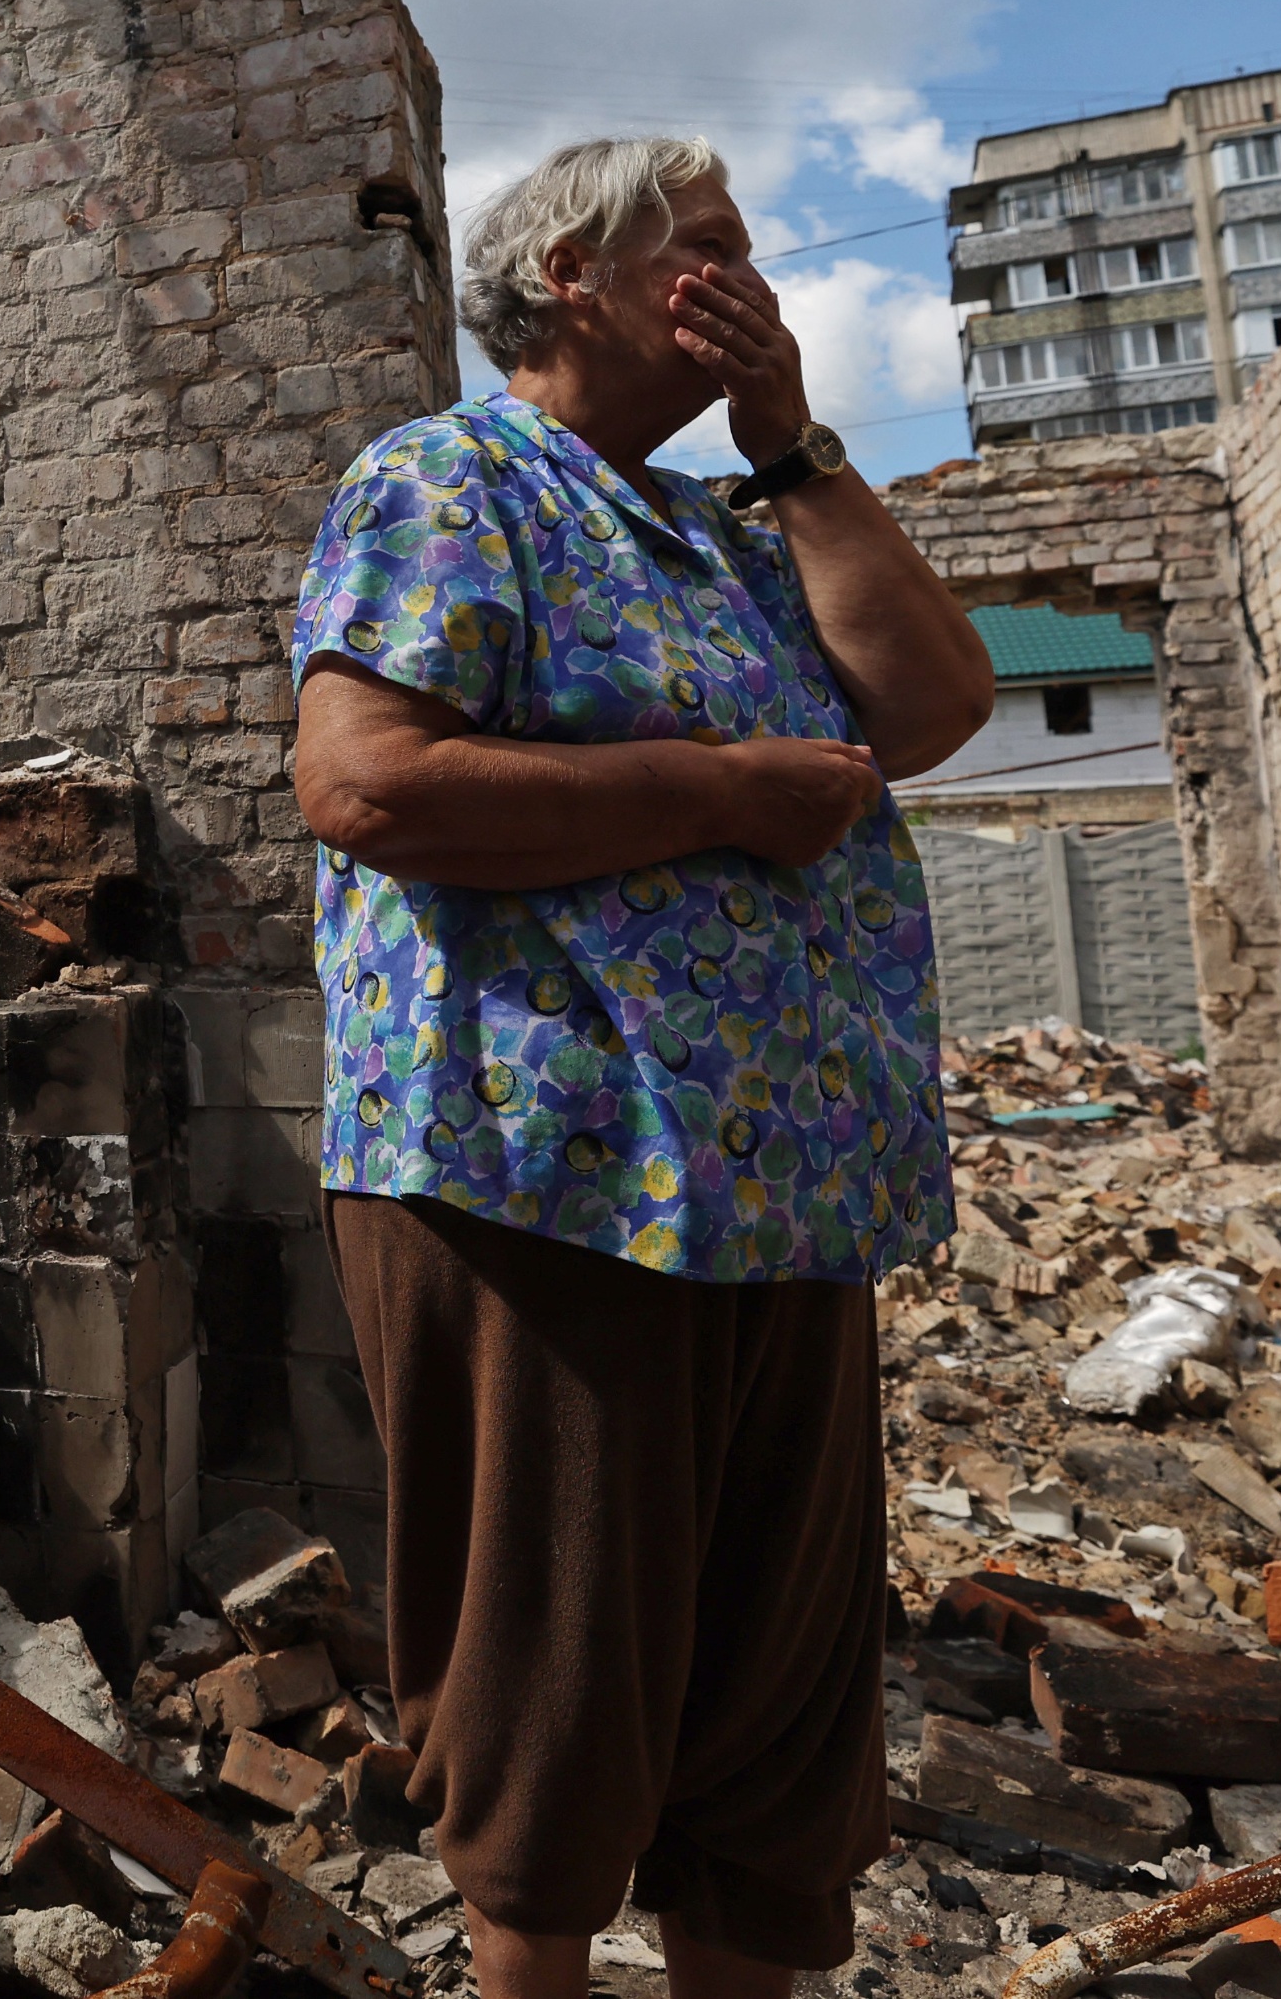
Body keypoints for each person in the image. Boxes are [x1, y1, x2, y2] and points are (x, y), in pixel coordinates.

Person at [286, 136, 993, 1999]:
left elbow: (929, 706)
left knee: (769, 1711)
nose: (744, 281)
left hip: (783, 1188)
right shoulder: (450, 477)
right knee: (558, 1679)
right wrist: (711, 789)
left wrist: (794, 441)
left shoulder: (722, 528)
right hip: (549, 1169)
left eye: (754, 256)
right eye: (704, 251)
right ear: (571, 279)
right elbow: (365, 784)